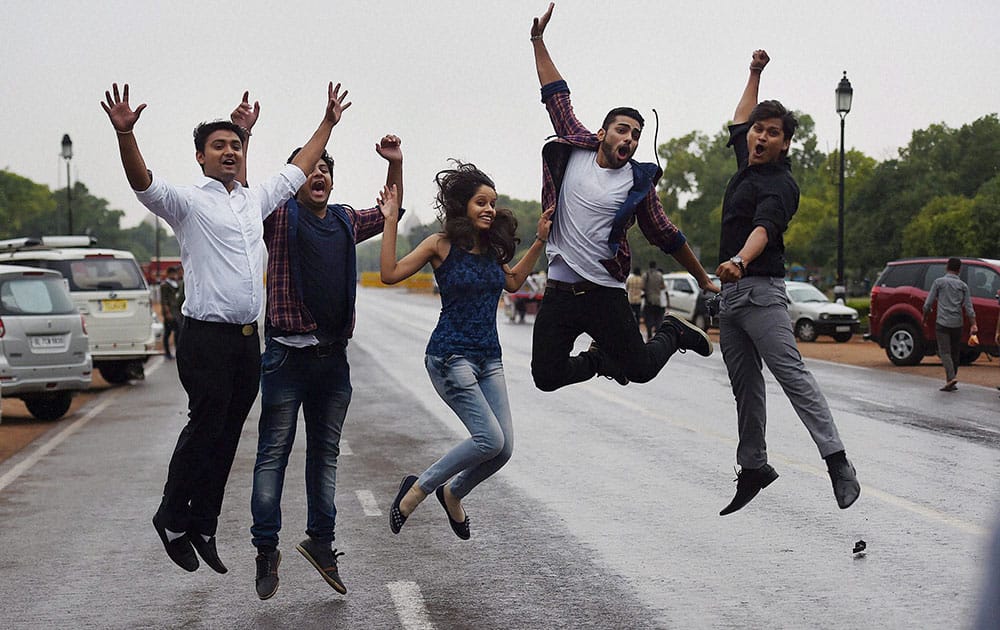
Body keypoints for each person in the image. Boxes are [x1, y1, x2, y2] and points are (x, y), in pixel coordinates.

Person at [101, 81, 349, 574]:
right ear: (201, 157)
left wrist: (329, 122)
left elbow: (298, 168)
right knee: (206, 423)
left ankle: (205, 523)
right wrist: (126, 136)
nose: (229, 152)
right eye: (219, 146)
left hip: (245, 341)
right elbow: (143, 183)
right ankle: (172, 515)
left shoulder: (254, 200)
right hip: (205, 337)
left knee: (231, 430)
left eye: (235, 145)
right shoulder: (188, 202)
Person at [248, 119, 404, 600]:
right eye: (309, 169)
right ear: (296, 180)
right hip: (285, 359)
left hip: (333, 364)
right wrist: (249, 136)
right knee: (272, 456)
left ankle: (321, 541)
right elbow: (249, 196)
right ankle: (266, 549)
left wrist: (396, 165)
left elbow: (390, 211)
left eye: (325, 169)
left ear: (332, 180)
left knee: (325, 458)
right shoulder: (277, 216)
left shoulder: (344, 220)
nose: (318, 175)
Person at [528, 3, 718, 391]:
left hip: (604, 293)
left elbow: (668, 235)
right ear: (602, 134)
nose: (629, 138)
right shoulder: (575, 149)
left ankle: (672, 332)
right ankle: (598, 359)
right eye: (622, 129)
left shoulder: (638, 183)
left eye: (635, 135)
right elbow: (556, 96)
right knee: (546, 377)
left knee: (641, 370)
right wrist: (537, 40)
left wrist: (703, 279)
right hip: (560, 292)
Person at [714, 50, 860, 516]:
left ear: (785, 145)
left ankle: (837, 462)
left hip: (760, 293)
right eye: (760, 130)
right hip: (731, 301)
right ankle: (753, 466)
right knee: (745, 387)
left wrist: (739, 258)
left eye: (772, 133)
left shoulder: (780, 183)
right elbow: (740, 119)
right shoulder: (747, 163)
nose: (759, 136)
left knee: (791, 376)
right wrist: (754, 73)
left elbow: (765, 228)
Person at [379, 162, 553, 539]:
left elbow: (513, 282)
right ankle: (418, 488)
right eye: (481, 202)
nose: (489, 209)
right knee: (489, 439)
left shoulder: (493, 248)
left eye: (493, 203)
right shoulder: (440, 244)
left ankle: (452, 492)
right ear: (463, 206)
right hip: (449, 355)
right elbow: (389, 273)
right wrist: (390, 219)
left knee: (503, 449)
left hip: (489, 358)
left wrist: (539, 240)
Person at [922, 257, 977, 392]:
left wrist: (925, 317)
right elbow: (969, 308)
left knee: (945, 352)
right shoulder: (963, 286)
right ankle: (951, 380)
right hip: (957, 323)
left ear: (946, 267)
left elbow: (927, 304)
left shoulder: (938, 283)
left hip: (942, 323)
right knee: (955, 352)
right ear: (959, 270)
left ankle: (951, 378)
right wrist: (973, 324)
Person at [159, 266, 184, 359]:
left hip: (176, 312)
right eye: (172, 274)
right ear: (168, 274)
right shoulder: (165, 285)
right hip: (169, 312)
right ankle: (167, 353)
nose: (174, 275)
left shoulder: (176, 284)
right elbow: (164, 300)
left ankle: (177, 350)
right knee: (168, 333)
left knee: (178, 332)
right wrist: (167, 312)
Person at [641, 261, 667, 340]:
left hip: (649, 301)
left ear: (649, 266)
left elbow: (642, 286)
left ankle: (649, 335)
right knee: (657, 319)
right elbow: (663, 286)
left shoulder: (646, 275)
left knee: (649, 318)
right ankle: (657, 337)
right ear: (655, 266)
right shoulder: (660, 275)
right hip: (658, 300)